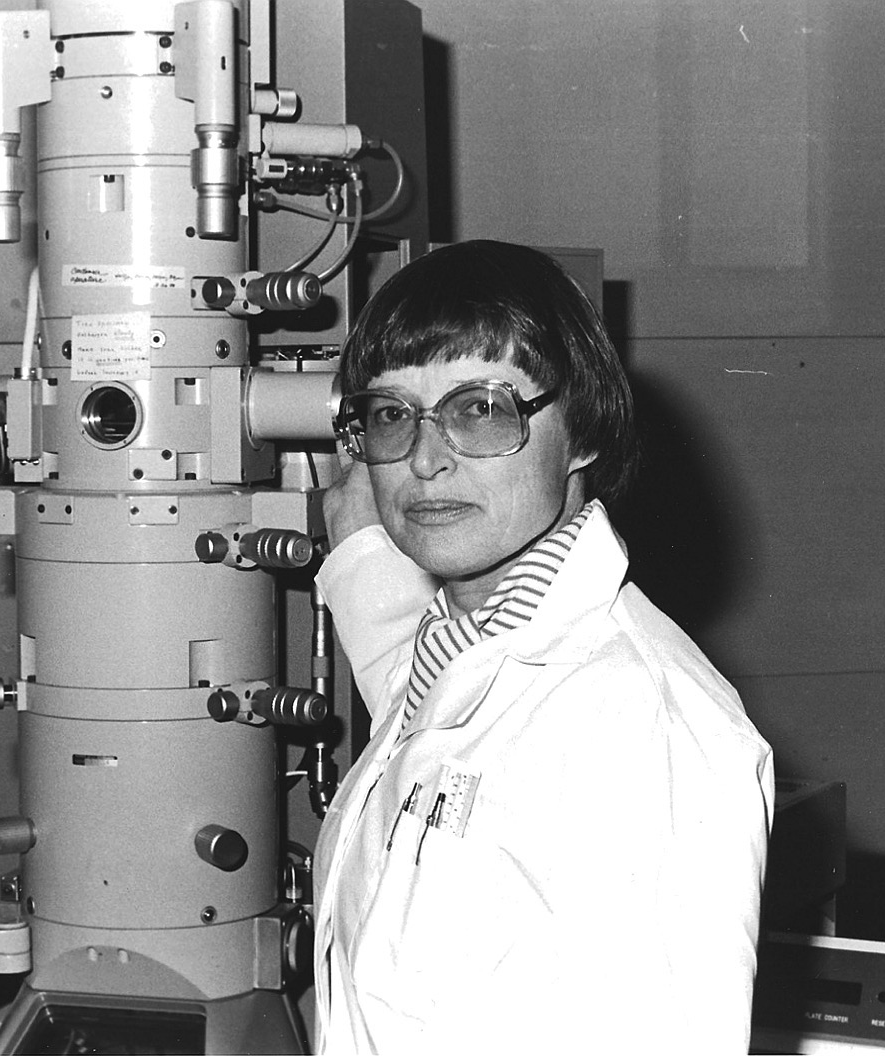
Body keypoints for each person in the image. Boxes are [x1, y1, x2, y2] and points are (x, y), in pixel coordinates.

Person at [310, 240, 774, 1054]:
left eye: (480, 409)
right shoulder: (458, 653)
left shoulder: (641, 721)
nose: (425, 459)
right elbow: (452, 744)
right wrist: (354, 551)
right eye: (392, 415)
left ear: (585, 430)